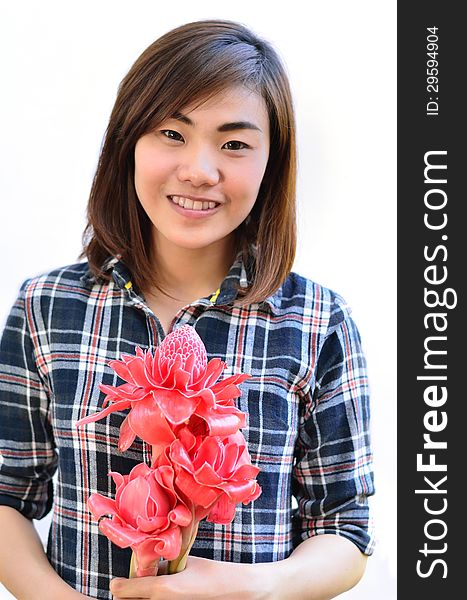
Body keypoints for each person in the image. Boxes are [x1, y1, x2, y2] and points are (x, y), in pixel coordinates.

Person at [0, 19, 375, 600]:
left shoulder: (320, 323)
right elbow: (6, 497)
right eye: (172, 134)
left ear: (270, 163)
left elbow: (346, 530)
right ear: (129, 143)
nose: (200, 170)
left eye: (234, 144)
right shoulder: (44, 308)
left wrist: (258, 588)